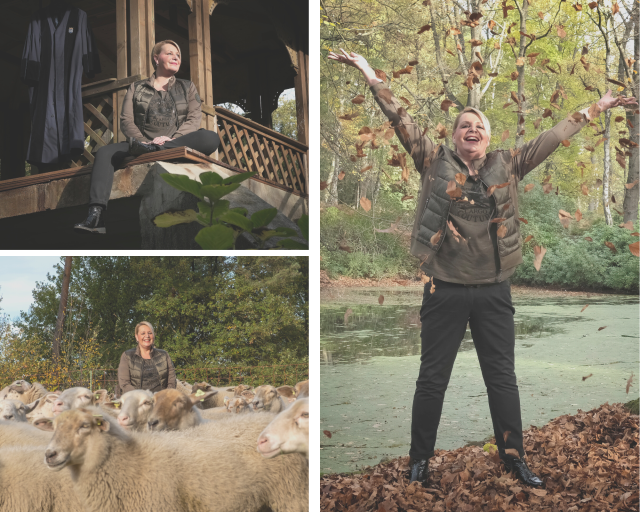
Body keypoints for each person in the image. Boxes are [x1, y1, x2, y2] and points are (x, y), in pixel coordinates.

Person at [328, 49, 637, 487]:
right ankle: (419, 464)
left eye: (480, 126)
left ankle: (514, 458)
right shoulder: (432, 161)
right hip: (444, 289)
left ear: (489, 139)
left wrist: (597, 107)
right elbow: (398, 117)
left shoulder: (507, 164)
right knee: (432, 379)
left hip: (494, 290)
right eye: (464, 125)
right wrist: (366, 72)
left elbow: (554, 136)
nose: (472, 130)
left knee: (502, 378)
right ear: (454, 137)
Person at [74, 40, 220, 234]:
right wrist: (144, 142)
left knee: (210, 138)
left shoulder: (188, 87)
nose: (175, 57)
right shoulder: (136, 87)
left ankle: (157, 150)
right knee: (105, 152)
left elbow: (194, 119)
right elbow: (126, 120)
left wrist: (171, 140)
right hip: (140, 145)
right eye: (169, 53)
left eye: (178, 54)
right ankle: (96, 216)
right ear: (156, 58)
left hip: (175, 144)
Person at [118, 321, 177, 395]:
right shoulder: (127, 356)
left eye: (150, 333)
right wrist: (143, 397)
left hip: (161, 400)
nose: (147, 336)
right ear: (136, 337)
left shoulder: (164, 355)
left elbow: (172, 382)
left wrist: (164, 397)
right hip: (137, 401)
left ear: (153, 335)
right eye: (143, 333)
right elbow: (124, 384)